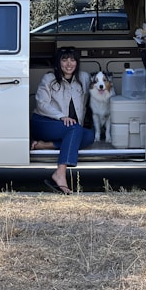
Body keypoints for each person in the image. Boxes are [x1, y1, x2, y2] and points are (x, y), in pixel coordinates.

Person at [31, 47, 95, 194]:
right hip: (43, 122)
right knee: (75, 129)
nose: (69, 64)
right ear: (58, 62)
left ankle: (45, 146)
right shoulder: (49, 78)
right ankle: (60, 173)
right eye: (64, 59)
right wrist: (61, 116)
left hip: (69, 127)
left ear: (77, 62)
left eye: (72, 60)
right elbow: (41, 104)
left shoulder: (84, 78)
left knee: (89, 136)